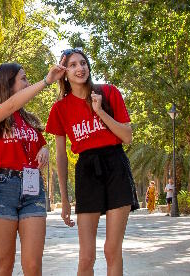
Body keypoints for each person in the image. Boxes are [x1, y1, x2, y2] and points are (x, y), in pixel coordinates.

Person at [47, 48, 137, 276]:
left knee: (111, 250)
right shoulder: (59, 109)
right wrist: (65, 200)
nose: (80, 68)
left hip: (115, 164)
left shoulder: (108, 92)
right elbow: (60, 155)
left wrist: (100, 112)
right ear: (64, 73)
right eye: (73, 65)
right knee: (87, 256)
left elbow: (127, 136)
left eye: (83, 63)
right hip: (86, 170)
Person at [0, 63, 64, 276]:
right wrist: (45, 81)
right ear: (8, 84)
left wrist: (44, 149)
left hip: (33, 190)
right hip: (2, 190)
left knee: (33, 266)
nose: (27, 83)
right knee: (4, 264)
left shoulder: (28, 119)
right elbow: (11, 105)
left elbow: (40, 142)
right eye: (23, 79)